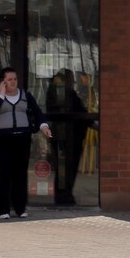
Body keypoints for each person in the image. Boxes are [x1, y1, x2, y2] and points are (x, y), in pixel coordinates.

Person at [0, 67, 49, 219]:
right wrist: (1, 94)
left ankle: (20, 208)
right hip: (1, 139)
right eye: (9, 79)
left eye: (15, 79)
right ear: (3, 81)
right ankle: (1, 210)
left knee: (20, 174)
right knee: (3, 173)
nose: (13, 82)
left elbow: (37, 111)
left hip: (22, 138)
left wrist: (43, 126)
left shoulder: (25, 95)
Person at [41, 71, 90, 206]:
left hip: (63, 137)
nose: (73, 82)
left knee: (64, 168)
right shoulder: (64, 93)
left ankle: (64, 195)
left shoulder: (61, 92)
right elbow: (77, 112)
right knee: (65, 168)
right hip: (65, 138)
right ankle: (64, 196)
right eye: (71, 79)